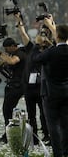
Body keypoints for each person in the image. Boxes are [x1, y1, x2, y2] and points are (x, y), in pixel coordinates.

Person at [32, 24, 68, 157]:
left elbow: (36, 59)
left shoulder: (51, 52)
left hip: (50, 93)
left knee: (53, 125)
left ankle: (58, 153)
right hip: (66, 92)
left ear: (56, 36)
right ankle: (66, 151)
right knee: (65, 124)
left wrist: (37, 44)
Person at [14, 14, 51, 144]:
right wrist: (19, 22)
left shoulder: (49, 50)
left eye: (42, 35)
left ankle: (47, 134)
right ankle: (34, 136)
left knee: (44, 113)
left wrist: (50, 25)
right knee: (31, 114)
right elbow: (24, 35)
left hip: (41, 86)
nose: (39, 36)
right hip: (29, 87)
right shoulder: (31, 48)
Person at [0, 37, 27, 143]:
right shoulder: (13, 53)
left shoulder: (20, 53)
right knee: (7, 110)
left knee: (8, 109)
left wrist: (0, 54)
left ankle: (9, 135)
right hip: (13, 84)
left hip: (18, 85)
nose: (6, 51)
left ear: (13, 46)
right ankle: (8, 133)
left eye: (7, 49)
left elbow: (12, 61)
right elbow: (6, 63)